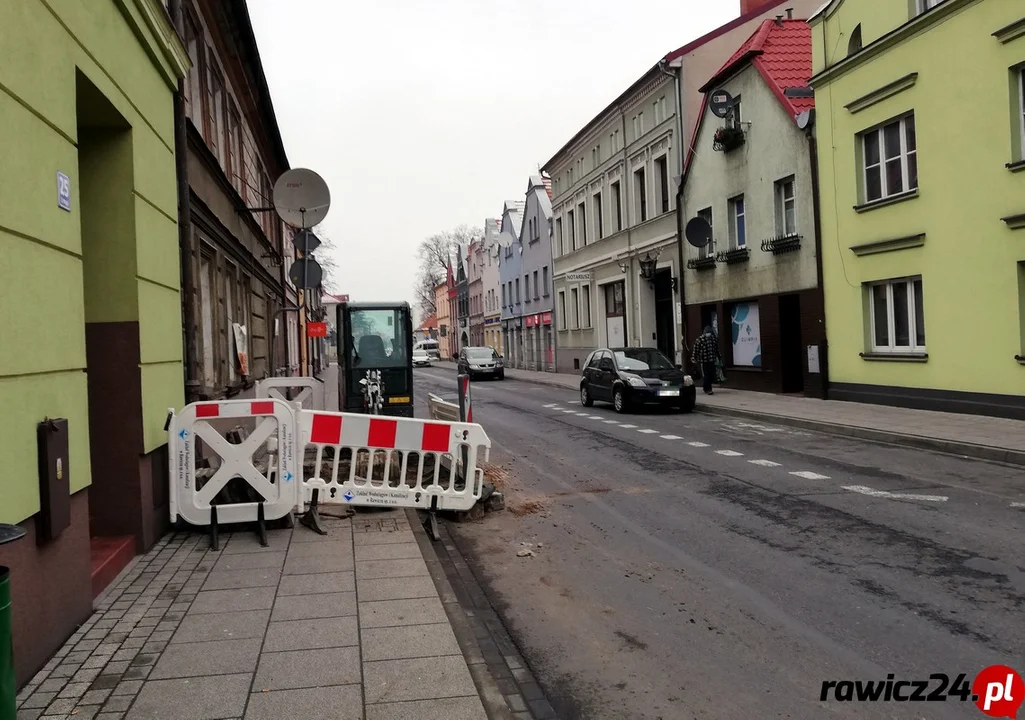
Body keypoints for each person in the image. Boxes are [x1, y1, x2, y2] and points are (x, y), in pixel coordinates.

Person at [691, 326, 721, 395]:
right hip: (706, 360)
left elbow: (696, 350)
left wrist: (694, 358)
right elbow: (696, 350)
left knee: (708, 374)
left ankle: (706, 388)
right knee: (708, 374)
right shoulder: (711, 339)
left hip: (707, 360)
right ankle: (708, 388)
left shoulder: (701, 339)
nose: (708, 334)